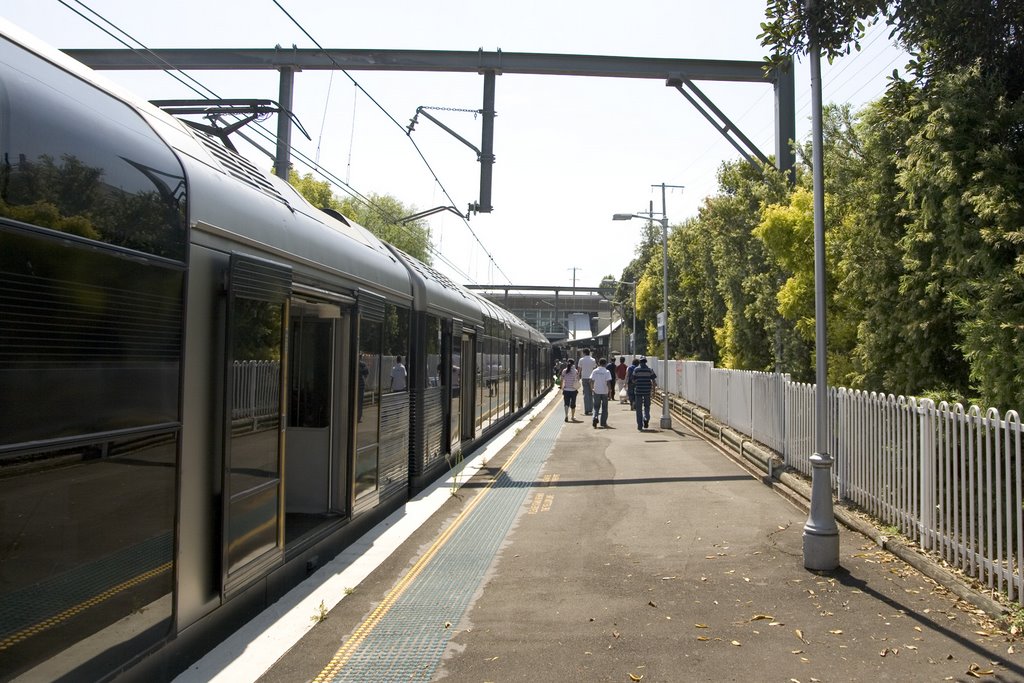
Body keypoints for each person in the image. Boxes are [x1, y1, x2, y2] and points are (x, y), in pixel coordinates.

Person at [630, 356, 658, 431]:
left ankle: (639, 425)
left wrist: (637, 382)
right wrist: (654, 392)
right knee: (647, 406)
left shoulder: (636, 370)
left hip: (638, 391)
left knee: (638, 408)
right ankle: (646, 418)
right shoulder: (650, 370)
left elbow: (632, 380)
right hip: (647, 391)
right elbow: (654, 382)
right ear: (646, 362)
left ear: (640, 362)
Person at [590, 358, 613, 428]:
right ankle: (603, 423)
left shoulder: (595, 371)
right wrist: (610, 392)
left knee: (596, 407)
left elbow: (591, 381)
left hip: (596, 391)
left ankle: (595, 417)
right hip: (604, 391)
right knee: (604, 408)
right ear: (605, 364)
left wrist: (592, 389)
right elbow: (608, 382)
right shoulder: (607, 371)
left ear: (599, 363)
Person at [577, 348, 597, 416]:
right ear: (589, 352)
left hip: (584, 378)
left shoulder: (581, 360)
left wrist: (578, 377)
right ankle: (591, 409)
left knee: (586, 394)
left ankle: (586, 410)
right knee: (591, 394)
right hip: (592, 378)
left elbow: (579, 369)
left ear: (584, 353)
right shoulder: (593, 360)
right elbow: (594, 369)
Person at [560, 358, 580, 422]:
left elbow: (562, 379)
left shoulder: (564, 370)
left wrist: (562, 387)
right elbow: (578, 379)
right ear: (573, 363)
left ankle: (566, 416)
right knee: (573, 404)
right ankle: (572, 416)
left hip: (566, 390)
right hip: (573, 390)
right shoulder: (575, 371)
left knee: (566, 403)